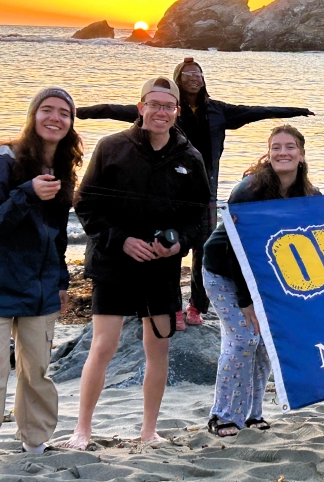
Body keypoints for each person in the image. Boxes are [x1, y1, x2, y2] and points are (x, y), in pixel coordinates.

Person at [76, 57, 314, 330]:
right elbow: (115, 110)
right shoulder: (165, 110)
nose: (193, 77)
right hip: (171, 189)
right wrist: (81, 111)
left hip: (205, 190)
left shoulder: (218, 111)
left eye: (197, 73)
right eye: (187, 73)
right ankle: (173, 307)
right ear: (177, 80)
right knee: (170, 248)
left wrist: (295, 111)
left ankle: (197, 305)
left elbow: (255, 111)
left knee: (201, 245)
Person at [63, 76, 209, 449]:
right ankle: (82, 429)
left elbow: (202, 219)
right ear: (140, 107)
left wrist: (179, 246)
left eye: (168, 106)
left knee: (157, 348)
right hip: (113, 261)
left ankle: (149, 430)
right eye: (154, 104)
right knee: (103, 345)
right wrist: (121, 240)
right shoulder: (112, 147)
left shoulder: (190, 158)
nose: (161, 112)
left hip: (161, 268)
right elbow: (86, 204)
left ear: (177, 111)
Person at [0, 88, 83, 462]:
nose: (55, 118)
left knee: (37, 372)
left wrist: (61, 282)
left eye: (64, 113)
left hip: (40, 289)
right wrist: (26, 192)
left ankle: (35, 440)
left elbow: (57, 236)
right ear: (32, 115)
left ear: (71, 123)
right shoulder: (2, 162)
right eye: (47, 110)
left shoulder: (62, 169)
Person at [203, 125, 320, 437]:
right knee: (243, 339)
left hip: (264, 277)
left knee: (265, 346)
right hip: (223, 272)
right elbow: (232, 250)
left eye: (290, 147)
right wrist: (246, 300)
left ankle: (253, 415)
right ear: (268, 154)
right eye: (276, 147)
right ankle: (223, 415)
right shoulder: (248, 190)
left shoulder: (308, 194)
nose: (283, 153)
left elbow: (318, 238)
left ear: (302, 154)